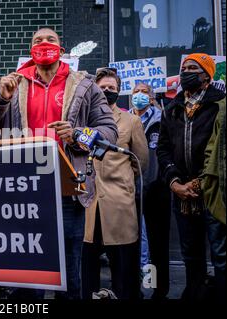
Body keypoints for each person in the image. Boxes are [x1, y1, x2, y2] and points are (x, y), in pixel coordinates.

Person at [0, 28, 118, 299]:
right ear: (30, 51)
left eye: (50, 39)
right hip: (22, 189)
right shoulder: (14, 84)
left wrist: (78, 135)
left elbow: (109, 132)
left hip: (68, 190)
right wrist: (0, 99)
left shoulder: (85, 84)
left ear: (62, 50)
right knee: (26, 271)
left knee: (67, 274)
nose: (44, 43)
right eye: (37, 41)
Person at [157, 53, 225, 300]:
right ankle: (194, 292)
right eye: (184, 67)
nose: (186, 72)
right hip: (181, 193)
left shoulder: (220, 105)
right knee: (190, 252)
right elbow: (163, 149)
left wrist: (201, 181)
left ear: (207, 76)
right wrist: (175, 182)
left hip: (213, 191)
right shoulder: (171, 108)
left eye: (193, 68)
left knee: (220, 252)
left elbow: (221, 150)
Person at [81, 68, 148, 299]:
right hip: (88, 203)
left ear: (119, 91)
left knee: (122, 265)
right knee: (88, 264)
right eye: (102, 88)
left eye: (112, 88)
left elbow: (141, 162)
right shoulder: (83, 119)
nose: (107, 91)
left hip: (119, 202)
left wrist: (124, 185)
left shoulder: (131, 121)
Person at [129, 83, 171, 299]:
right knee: (132, 243)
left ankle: (159, 290)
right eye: (136, 91)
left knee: (157, 243)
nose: (140, 95)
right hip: (131, 189)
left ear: (152, 98)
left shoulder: (163, 120)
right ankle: (135, 288)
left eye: (145, 92)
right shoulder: (124, 119)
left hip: (157, 188)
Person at [201, 94, 226, 302]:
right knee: (221, 256)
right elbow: (212, 148)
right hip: (219, 193)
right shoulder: (222, 108)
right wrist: (207, 183)